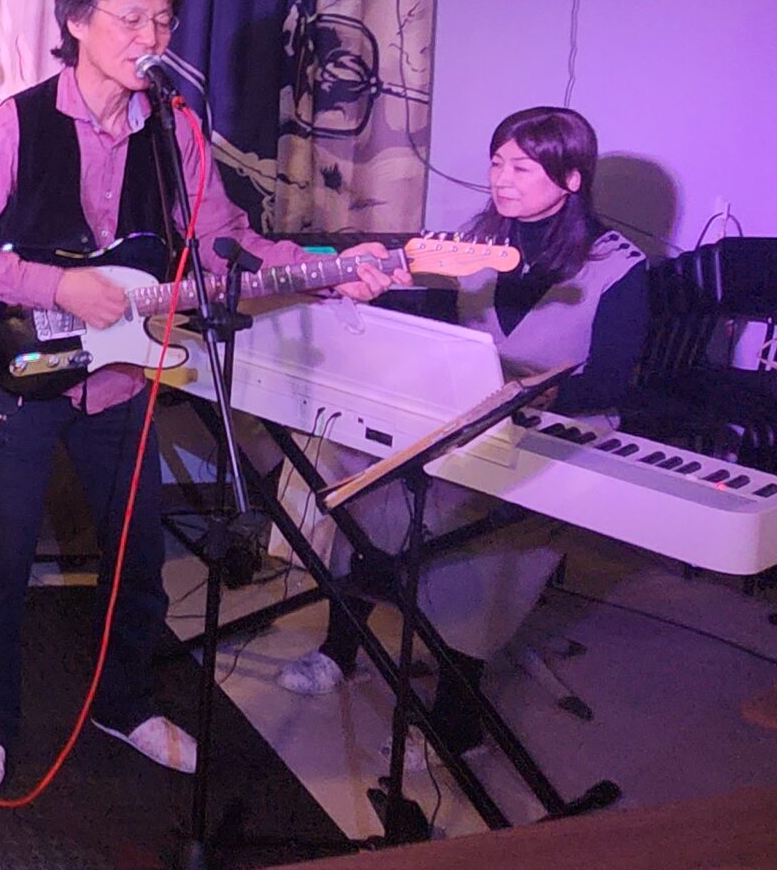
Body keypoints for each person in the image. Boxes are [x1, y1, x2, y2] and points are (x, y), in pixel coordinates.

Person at [0, 0, 400, 799]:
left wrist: (329, 268)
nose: (151, 36)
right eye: (131, 16)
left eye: (164, 20)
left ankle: (125, 702)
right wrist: (58, 283)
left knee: (138, 557)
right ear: (78, 21)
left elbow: (225, 245)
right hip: (20, 371)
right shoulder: (13, 125)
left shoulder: (178, 128)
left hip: (123, 378)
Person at [274, 105, 649, 766]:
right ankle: (341, 645)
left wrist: (531, 392)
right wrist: (379, 293)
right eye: (497, 162)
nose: (501, 178)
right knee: (357, 467)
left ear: (570, 178)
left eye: (522, 167)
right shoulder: (474, 244)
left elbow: (615, 383)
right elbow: (439, 328)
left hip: (556, 425)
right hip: (467, 413)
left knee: (473, 514)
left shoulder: (618, 266)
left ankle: (458, 706)